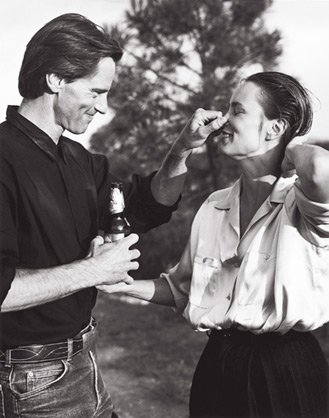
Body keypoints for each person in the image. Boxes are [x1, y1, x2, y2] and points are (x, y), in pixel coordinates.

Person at [0, 13, 224, 418]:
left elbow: (146, 206)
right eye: (96, 91)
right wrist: (94, 271)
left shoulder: (80, 160)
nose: (103, 108)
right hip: (28, 378)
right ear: (55, 80)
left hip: (84, 360)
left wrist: (184, 148)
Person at [102, 71, 329, 417]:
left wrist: (292, 145)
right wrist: (117, 282)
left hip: (285, 372)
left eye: (237, 110)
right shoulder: (214, 206)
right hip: (218, 368)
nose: (223, 119)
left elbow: (320, 170)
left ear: (274, 128)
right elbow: (181, 289)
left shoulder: (304, 205)